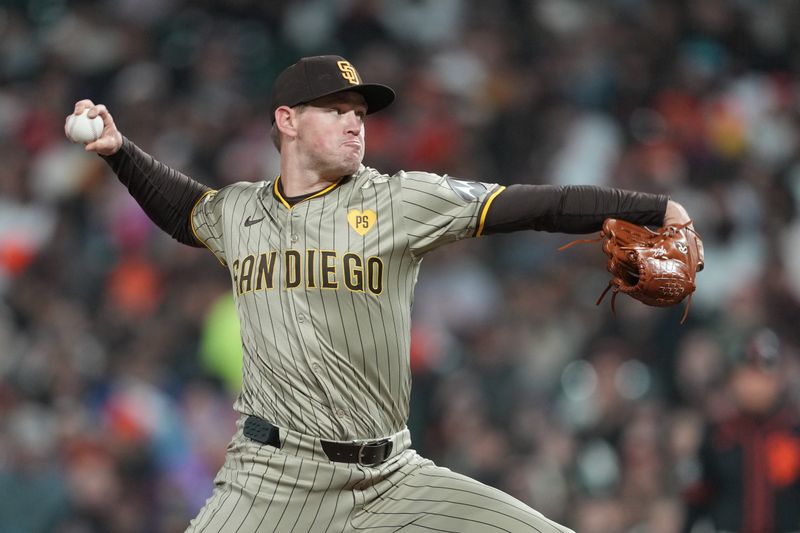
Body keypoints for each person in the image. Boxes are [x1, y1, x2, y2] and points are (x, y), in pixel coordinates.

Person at [68, 54, 702, 532]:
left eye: (361, 114)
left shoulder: (400, 199)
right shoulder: (240, 212)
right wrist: (121, 152)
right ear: (287, 121)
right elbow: (185, 211)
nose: (355, 124)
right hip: (267, 480)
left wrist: (655, 207)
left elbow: (537, 205)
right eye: (336, 110)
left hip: (390, 477)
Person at [682, 328, 800, 533]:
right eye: (746, 373)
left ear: (781, 378)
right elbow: (697, 497)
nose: (754, 383)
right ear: (733, 380)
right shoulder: (718, 435)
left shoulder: (793, 435)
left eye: (763, 372)